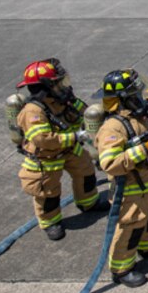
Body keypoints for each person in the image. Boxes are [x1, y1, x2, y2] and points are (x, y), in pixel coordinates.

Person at [93, 69, 148, 287]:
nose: (140, 97)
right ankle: (122, 268)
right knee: (131, 227)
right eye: (135, 94)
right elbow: (110, 162)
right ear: (123, 99)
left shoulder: (141, 116)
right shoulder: (114, 127)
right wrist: (142, 151)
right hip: (131, 189)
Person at [16, 60, 107, 241]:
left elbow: (86, 112)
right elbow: (43, 139)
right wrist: (76, 137)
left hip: (68, 150)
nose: (62, 85)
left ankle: (88, 202)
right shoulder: (33, 111)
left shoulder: (60, 99)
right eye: (58, 82)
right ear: (46, 86)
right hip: (46, 157)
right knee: (48, 192)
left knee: (86, 172)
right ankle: (50, 222)